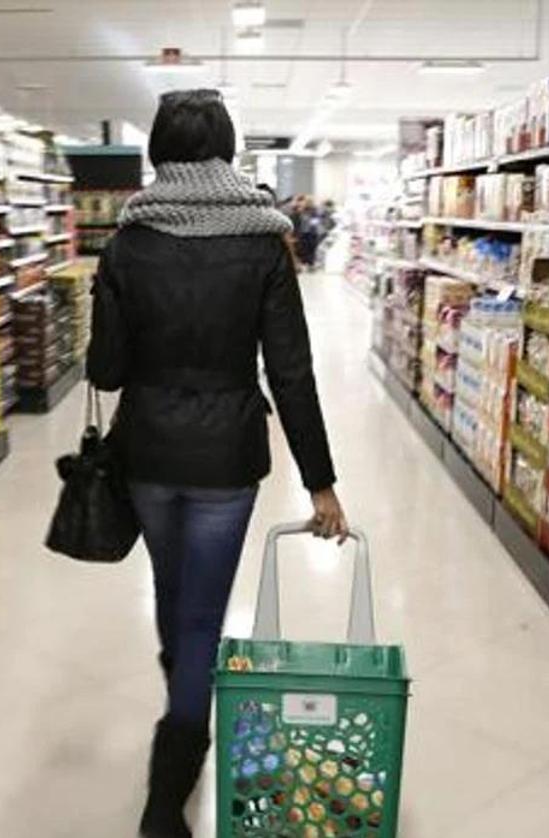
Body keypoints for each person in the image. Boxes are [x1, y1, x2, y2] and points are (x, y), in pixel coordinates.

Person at [86, 88, 347, 838]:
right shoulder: (264, 238)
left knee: (176, 601)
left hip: (148, 449)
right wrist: (320, 481)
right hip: (227, 456)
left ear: (157, 152)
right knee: (201, 612)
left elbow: (105, 371)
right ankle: (165, 799)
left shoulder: (128, 239)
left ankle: (183, 707)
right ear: (227, 150)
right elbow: (291, 372)